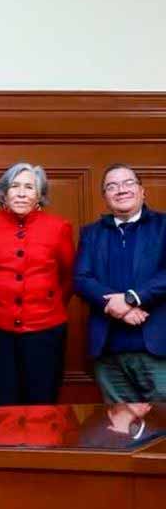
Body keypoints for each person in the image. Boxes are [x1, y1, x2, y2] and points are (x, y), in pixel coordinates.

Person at [0, 163, 75, 405]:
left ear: (39, 194)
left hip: (45, 329)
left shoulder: (59, 227)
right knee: (0, 401)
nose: (21, 193)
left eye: (29, 187)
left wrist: (48, 304)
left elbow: (68, 277)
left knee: (42, 402)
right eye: (14, 186)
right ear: (4, 192)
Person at [74, 164, 166, 402]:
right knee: (119, 423)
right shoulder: (91, 233)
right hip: (108, 352)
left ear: (142, 191)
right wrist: (119, 308)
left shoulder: (163, 226)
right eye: (112, 186)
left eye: (128, 183)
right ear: (105, 197)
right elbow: (82, 279)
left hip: (158, 350)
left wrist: (131, 298)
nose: (121, 190)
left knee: (162, 422)